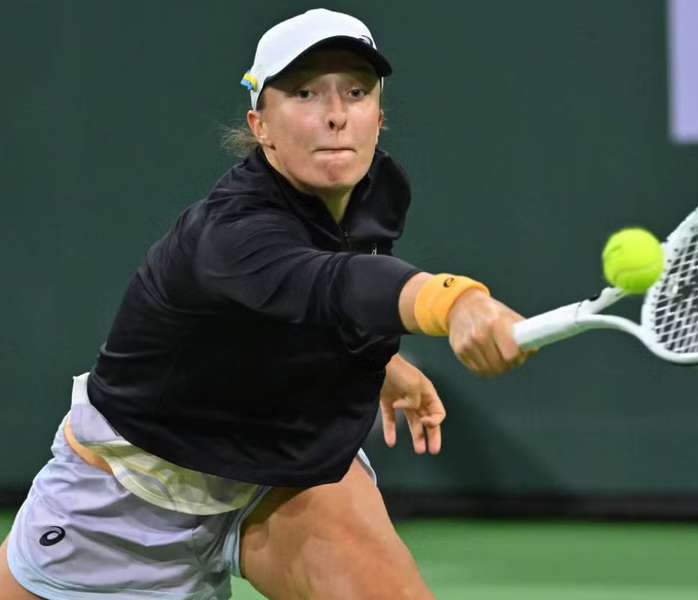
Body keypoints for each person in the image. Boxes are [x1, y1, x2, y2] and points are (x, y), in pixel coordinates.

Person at [0, 8, 531, 600]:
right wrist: (454, 302)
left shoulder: (377, 190)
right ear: (261, 124)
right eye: (304, 93)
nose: (335, 114)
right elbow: (335, 284)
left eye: (356, 93)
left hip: (284, 473)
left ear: (380, 117)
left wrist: (377, 364)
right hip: (135, 497)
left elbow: (308, 312)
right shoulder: (232, 234)